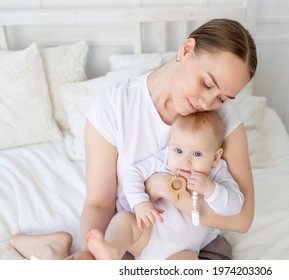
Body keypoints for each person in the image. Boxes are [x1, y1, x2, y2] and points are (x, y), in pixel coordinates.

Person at [10, 18, 257, 260]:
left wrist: (164, 189)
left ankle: (51, 250)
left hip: (192, 245)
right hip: (138, 230)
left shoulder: (222, 119)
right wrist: (93, 253)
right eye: (205, 83)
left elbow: (242, 219)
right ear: (186, 50)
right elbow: (99, 204)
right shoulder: (114, 107)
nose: (207, 103)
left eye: (223, 98)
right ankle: (55, 249)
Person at [85, 111, 244, 260]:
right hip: (148, 232)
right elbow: (134, 174)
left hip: (184, 249)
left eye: (197, 154)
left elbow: (235, 205)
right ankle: (112, 250)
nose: (185, 161)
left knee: (189, 262)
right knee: (124, 220)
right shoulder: (165, 160)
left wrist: (210, 189)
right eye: (179, 151)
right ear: (170, 146)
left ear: (215, 157)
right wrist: (140, 203)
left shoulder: (217, 171)